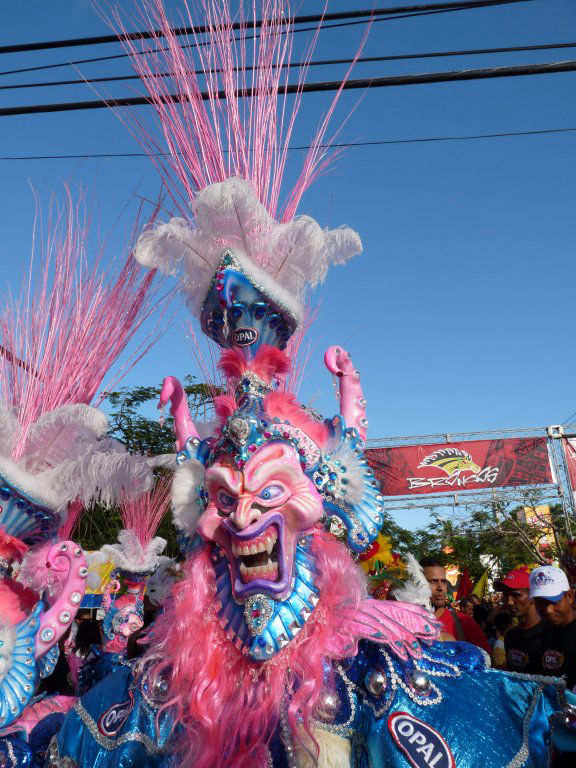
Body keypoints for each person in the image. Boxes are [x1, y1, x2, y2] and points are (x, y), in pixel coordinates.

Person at [420, 557, 492, 654]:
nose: (441, 588)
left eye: (443, 581)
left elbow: (487, 661)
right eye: (433, 581)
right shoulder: (405, 622)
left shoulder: (465, 622)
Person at [530, 565, 576, 690]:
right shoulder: (543, 631)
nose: (548, 610)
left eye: (554, 601)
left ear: (570, 597)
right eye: (540, 603)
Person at [495, 568, 544, 675]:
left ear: (533, 596)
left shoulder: (549, 634)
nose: (509, 602)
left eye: (516, 595)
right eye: (506, 595)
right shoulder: (510, 636)